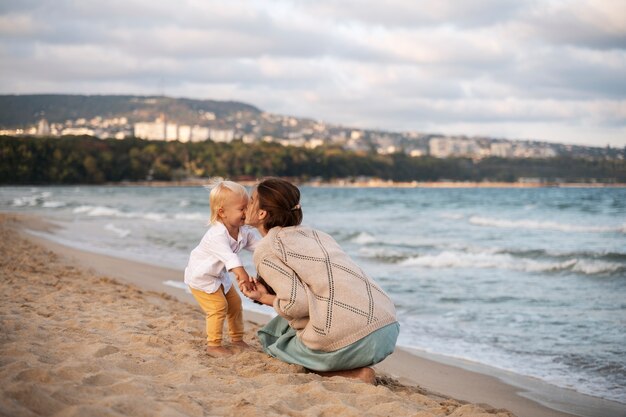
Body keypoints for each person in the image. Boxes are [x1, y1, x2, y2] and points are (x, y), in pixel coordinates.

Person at [241, 177, 399, 383]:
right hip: (387, 328)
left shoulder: (267, 249)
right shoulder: (316, 234)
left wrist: (263, 298)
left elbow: (297, 305)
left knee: (272, 342)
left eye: (251, 200)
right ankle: (347, 361)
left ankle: (353, 374)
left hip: (357, 338)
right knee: (282, 326)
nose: (246, 203)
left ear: (262, 213)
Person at [184, 178, 259, 357]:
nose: (246, 212)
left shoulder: (243, 231)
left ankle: (237, 339)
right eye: (242, 209)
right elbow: (229, 257)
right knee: (218, 307)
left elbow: (259, 247)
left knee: (235, 304)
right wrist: (243, 276)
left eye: (248, 207)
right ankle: (213, 345)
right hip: (202, 278)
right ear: (222, 212)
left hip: (219, 277)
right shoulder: (216, 235)